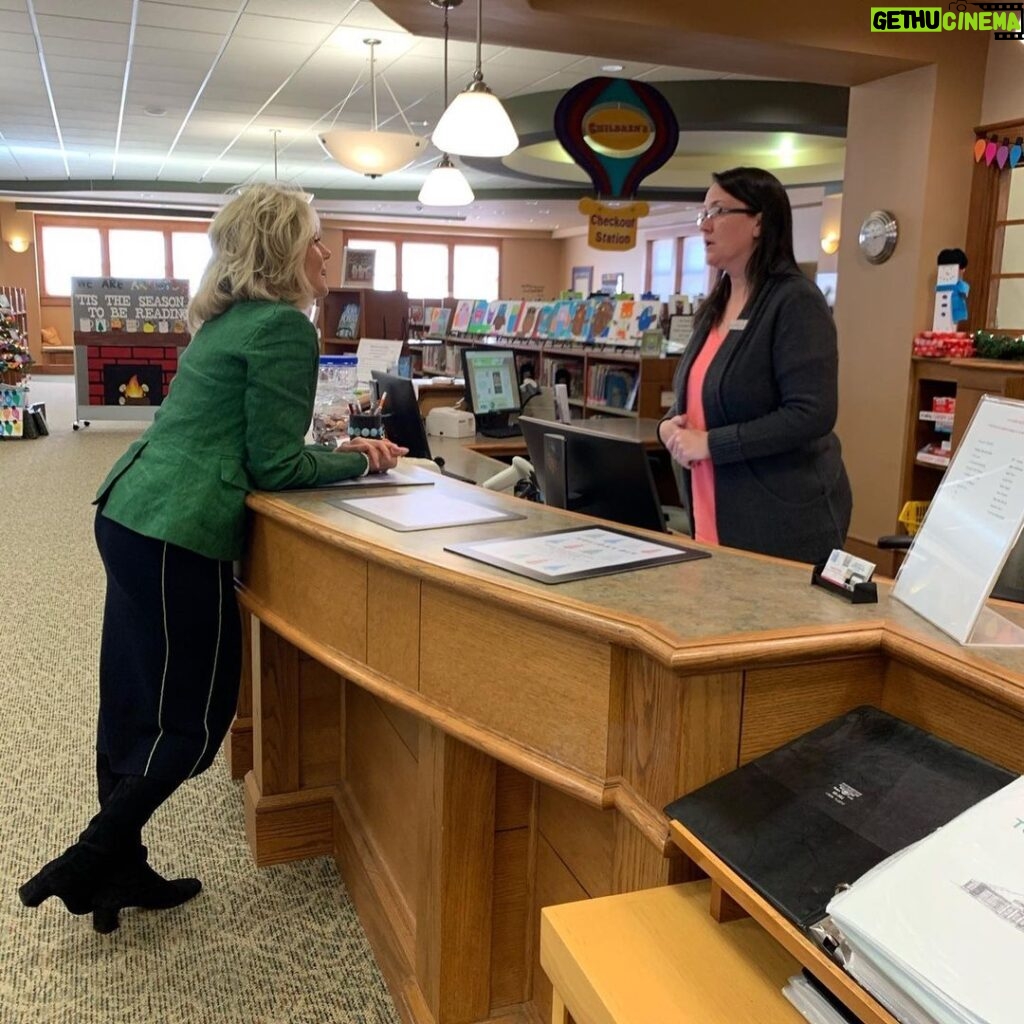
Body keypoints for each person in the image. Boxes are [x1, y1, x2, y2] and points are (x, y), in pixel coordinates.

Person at [19, 184, 406, 934]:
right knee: (194, 716)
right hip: (179, 533)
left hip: (132, 512)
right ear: (282, 250)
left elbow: (245, 439)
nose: (327, 253)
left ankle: (117, 867)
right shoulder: (286, 328)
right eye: (315, 238)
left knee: (132, 702)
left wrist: (335, 449)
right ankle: (92, 855)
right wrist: (362, 461)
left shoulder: (228, 322)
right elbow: (275, 466)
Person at [658, 166, 852, 563]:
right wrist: (668, 425)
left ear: (759, 222)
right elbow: (701, 393)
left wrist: (711, 443)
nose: (704, 226)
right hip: (712, 507)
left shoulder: (795, 301)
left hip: (781, 520)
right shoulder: (715, 305)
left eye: (717, 212)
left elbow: (812, 413)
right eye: (702, 215)